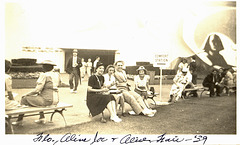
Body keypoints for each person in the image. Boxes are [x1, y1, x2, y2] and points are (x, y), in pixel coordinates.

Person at [12, 60, 59, 126]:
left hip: (47, 100)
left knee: (24, 99)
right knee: (39, 96)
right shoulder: (56, 75)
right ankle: (42, 118)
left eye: (43, 66)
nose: (42, 67)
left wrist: (26, 94)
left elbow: (37, 90)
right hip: (56, 100)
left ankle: (19, 120)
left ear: (45, 67)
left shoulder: (44, 75)